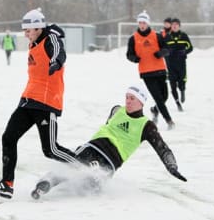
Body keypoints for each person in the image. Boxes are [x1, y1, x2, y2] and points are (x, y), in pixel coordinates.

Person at [0, 8, 77, 199]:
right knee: (8, 137)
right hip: (28, 100)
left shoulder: (51, 39)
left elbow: (59, 52)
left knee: (51, 150)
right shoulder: (34, 43)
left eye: (28, 30)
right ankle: (6, 184)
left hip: (46, 102)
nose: (25, 34)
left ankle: (83, 167)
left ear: (38, 28)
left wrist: (56, 62)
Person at [31, 84, 187, 199]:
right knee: (71, 166)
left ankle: (68, 186)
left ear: (141, 102)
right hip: (94, 147)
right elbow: (106, 127)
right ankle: (45, 183)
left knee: (88, 190)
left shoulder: (147, 126)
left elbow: (162, 148)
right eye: (127, 97)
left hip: (111, 162)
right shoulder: (117, 110)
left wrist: (172, 166)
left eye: (132, 98)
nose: (128, 101)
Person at [126, 11, 175, 129]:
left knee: (164, 96)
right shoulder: (133, 38)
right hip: (146, 72)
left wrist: (161, 53)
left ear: (147, 23)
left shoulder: (156, 36)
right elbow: (129, 54)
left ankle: (155, 110)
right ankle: (169, 121)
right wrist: (134, 58)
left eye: (144, 22)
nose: (142, 25)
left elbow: (167, 48)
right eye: (140, 23)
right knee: (158, 98)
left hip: (160, 70)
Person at [165, 18, 193, 111]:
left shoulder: (184, 36)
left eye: (176, 24)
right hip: (170, 65)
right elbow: (162, 50)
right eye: (173, 24)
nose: (174, 26)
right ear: (171, 26)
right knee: (172, 85)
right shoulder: (167, 37)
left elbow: (190, 48)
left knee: (181, 82)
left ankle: (182, 90)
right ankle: (178, 104)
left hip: (181, 64)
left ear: (179, 26)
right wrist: (168, 52)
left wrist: (184, 52)